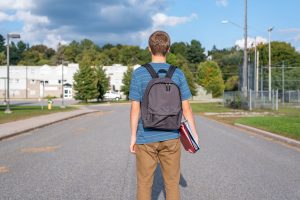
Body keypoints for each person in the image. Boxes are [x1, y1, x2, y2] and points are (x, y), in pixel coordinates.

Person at [129, 30, 198, 200]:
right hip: (172, 136)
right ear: (168, 49)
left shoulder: (139, 74)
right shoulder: (178, 73)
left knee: (144, 184)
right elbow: (187, 109)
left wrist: (133, 137)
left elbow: (135, 109)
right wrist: (193, 135)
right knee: (172, 184)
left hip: (146, 136)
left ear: (149, 49)